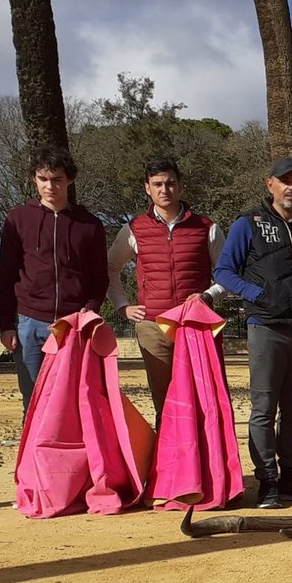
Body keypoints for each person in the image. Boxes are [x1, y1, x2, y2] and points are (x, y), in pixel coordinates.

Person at [214, 158, 292, 509]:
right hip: (265, 328)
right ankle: (267, 482)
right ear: (270, 185)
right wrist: (256, 295)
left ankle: (290, 475)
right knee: (263, 408)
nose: (291, 187)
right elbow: (224, 271)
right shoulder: (249, 224)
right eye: (284, 180)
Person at [105, 160, 226, 427]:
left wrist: (209, 295)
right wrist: (122, 306)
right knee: (164, 401)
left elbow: (229, 273)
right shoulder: (133, 229)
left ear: (180, 186)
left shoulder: (207, 228)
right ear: (147, 188)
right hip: (152, 326)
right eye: (158, 184)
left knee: (201, 398)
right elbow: (110, 268)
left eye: (170, 183)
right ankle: (167, 466)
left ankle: (202, 466)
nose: (165, 189)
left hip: (195, 326)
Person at [0, 147, 108, 413]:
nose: (50, 186)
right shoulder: (17, 219)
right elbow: (6, 275)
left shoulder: (90, 225)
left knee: (74, 401)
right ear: (34, 179)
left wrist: (89, 310)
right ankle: (35, 456)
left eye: (57, 179)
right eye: (43, 178)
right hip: (30, 324)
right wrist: (6, 325)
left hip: (74, 325)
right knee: (35, 402)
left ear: (69, 180)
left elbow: (100, 277)